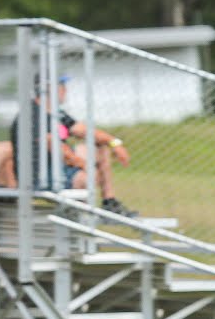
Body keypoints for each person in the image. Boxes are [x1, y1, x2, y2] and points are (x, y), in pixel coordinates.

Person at [10, 74, 135, 216]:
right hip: (39, 175)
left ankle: (109, 201)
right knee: (86, 178)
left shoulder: (56, 113)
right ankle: (78, 218)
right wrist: (86, 167)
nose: (66, 90)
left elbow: (84, 131)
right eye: (62, 86)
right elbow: (57, 148)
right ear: (49, 89)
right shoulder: (33, 113)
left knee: (100, 146)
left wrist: (114, 143)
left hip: (58, 165)